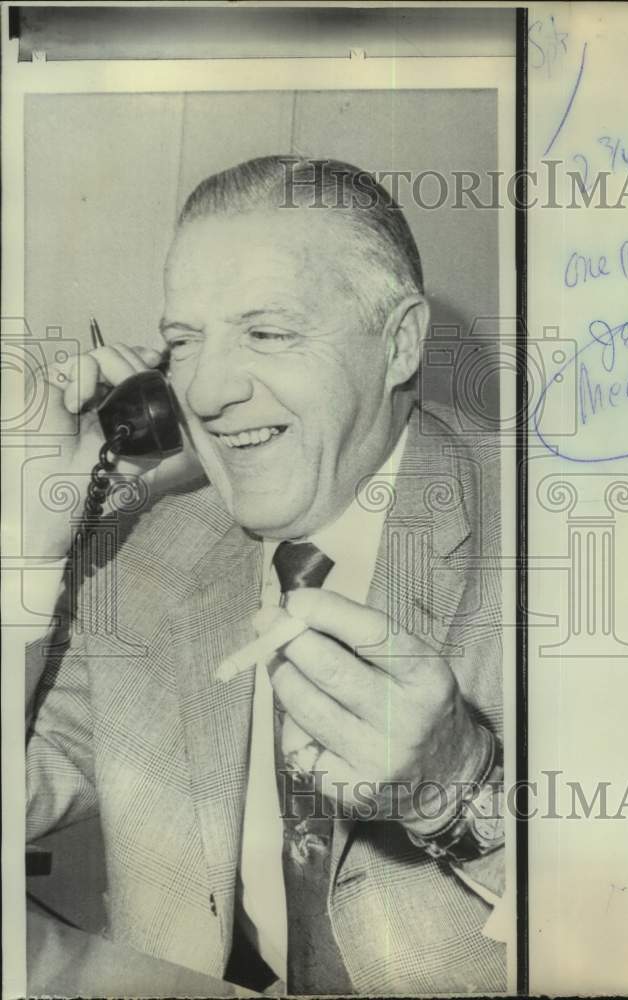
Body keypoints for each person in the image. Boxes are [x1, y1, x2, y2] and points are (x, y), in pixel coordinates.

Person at [25, 157, 506, 995]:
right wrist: (24, 548)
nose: (205, 392)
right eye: (182, 342)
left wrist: (456, 788)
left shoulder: (570, 519)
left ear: (400, 342)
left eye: (268, 332)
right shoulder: (146, 552)